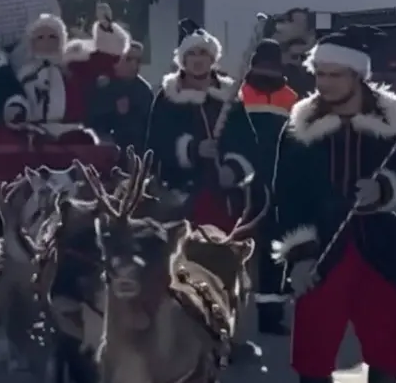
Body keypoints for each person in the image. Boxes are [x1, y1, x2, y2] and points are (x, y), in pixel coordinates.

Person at [271, 24, 396, 383]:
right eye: (320, 73)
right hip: (321, 252)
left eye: (335, 74)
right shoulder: (300, 127)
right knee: (313, 351)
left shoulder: (390, 125)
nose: (325, 83)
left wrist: (384, 190)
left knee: (389, 346)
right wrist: (298, 257)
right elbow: (286, 196)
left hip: (378, 249)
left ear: (358, 76)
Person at [220, 38, 299, 335]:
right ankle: (225, 306)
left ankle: (270, 312)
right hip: (241, 177)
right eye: (262, 62)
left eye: (271, 63)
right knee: (234, 242)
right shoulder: (237, 94)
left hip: (278, 179)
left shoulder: (292, 98)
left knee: (272, 248)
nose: (267, 69)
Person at [146, 19, 253, 230]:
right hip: (179, 195)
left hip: (225, 197)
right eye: (192, 54)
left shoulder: (228, 97)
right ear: (182, 59)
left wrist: (233, 169)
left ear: (212, 58)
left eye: (203, 53)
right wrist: (193, 150)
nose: (197, 60)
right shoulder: (168, 97)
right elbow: (156, 143)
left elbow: (246, 142)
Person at [5, 3, 130, 141]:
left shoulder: (72, 65)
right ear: (32, 43)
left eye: (52, 37)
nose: (46, 42)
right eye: (40, 38)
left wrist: (105, 29)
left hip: (70, 131)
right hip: (34, 133)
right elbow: (14, 96)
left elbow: (106, 59)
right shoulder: (24, 73)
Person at [89, 40, 153, 155]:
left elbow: (147, 130)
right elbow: (92, 123)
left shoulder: (144, 91)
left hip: (133, 155)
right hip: (102, 154)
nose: (134, 65)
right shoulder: (101, 86)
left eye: (138, 61)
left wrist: (126, 117)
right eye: (128, 59)